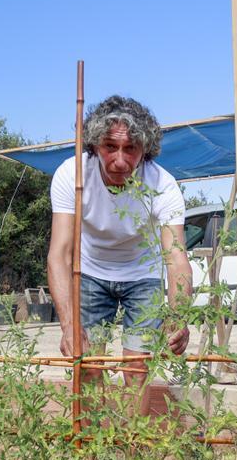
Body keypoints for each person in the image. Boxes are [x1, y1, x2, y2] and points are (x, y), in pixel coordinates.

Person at [47, 95, 192, 413]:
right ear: (95, 145)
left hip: (143, 274)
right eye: (110, 146)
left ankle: (130, 453)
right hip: (90, 271)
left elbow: (177, 257)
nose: (120, 160)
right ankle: (94, 450)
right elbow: (60, 253)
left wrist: (178, 318)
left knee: (136, 370)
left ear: (145, 151)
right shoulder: (71, 175)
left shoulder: (163, 185)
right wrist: (69, 327)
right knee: (87, 363)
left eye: (131, 149)